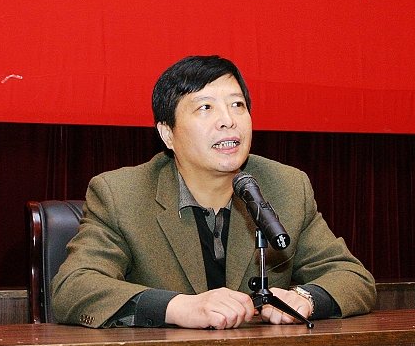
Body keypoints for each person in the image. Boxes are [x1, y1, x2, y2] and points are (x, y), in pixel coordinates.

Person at [52, 55, 376, 329]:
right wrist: (180, 308)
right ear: (167, 134)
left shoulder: (286, 186)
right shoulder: (121, 194)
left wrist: (305, 299)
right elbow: (73, 288)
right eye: (205, 107)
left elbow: (352, 277)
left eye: (237, 105)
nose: (228, 120)